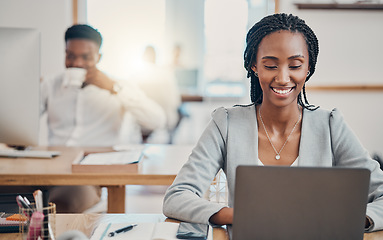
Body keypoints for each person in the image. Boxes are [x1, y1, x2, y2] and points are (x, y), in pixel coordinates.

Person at [163, 13, 383, 233]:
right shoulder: (227, 124)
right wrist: (238, 215)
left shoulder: (330, 126)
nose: (283, 78)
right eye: (270, 66)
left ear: (308, 68)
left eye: (295, 65)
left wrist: (354, 219)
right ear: (254, 66)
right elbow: (177, 196)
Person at [39, 24, 166, 213]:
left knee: (62, 203)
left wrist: (114, 89)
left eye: (86, 57)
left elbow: (157, 120)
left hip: (89, 176)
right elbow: (18, 121)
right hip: (51, 168)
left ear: (99, 57)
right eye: (70, 55)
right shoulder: (50, 85)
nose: (77, 63)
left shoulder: (118, 86)